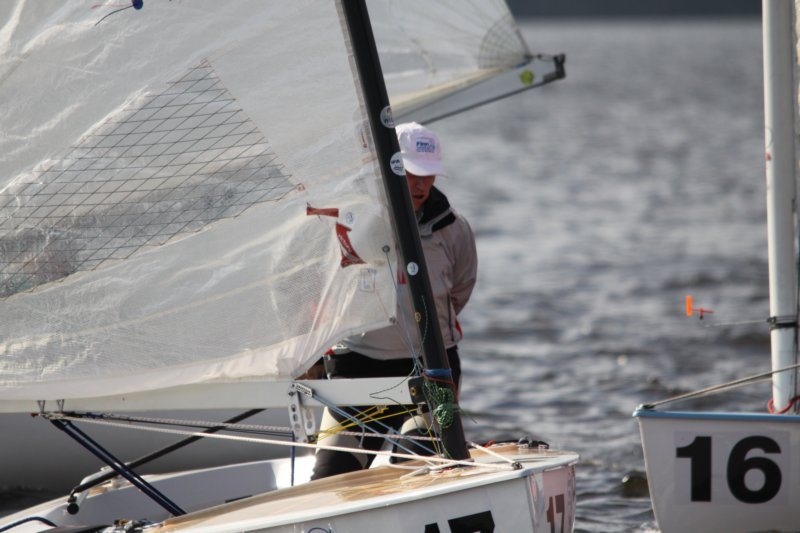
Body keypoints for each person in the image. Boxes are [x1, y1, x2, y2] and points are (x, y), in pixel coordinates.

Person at [310, 122, 477, 479]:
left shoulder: (454, 229)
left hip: (431, 370)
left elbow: (459, 290)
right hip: (357, 368)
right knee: (330, 480)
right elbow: (300, 279)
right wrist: (308, 348)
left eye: (429, 175)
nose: (421, 185)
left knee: (416, 472)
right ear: (388, 167)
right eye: (413, 173)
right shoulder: (346, 218)